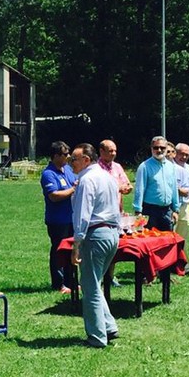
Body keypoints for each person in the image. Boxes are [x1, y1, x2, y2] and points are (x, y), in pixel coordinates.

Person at [69, 143, 121, 348]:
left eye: (74, 159)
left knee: (89, 288)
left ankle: (97, 337)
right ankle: (109, 326)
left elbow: (82, 213)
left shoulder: (87, 180)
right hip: (111, 234)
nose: (71, 163)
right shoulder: (107, 177)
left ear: (86, 160)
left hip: (95, 234)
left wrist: (76, 243)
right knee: (96, 283)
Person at [40, 141, 77, 293]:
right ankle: (59, 283)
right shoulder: (48, 174)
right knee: (58, 251)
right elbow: (54, 196)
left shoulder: (67, 169)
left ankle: (72, 282)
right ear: (56, 156)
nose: (68, 157)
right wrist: (74, 189)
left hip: (71, 219)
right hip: (57, 221)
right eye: (65, 154)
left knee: (72, 251)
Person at [98, 139, 133, 287]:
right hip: (102, 213)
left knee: (114, 246)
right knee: (102, 247)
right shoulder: (97, 169)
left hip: (117, 212)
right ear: (101, 151)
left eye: (115, 151)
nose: (113, 154)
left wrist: (128, 188)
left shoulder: (117, 167)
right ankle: (99, 277)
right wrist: (118, 188)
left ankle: (110, 277)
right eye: (110, 151)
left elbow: (127, 183)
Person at [133, 136, 179, 231]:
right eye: (156, 148)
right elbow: (139, 190)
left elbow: (174, 189)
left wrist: (176, 210)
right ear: (151, 149)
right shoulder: (144, 166)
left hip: (167, 211)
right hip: (150, 211)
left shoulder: (171, 167)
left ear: (166, 149)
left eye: (162, 148)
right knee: (150, 241)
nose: (159, 150)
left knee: (167, 241)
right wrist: (138, 211)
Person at [173, 142, 189, 274]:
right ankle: (168, 266)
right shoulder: (169, 167)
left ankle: (182, 264)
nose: (184, 157)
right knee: (170, 237)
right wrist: (179, 191)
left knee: (182, 237)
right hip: (172, 207)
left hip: (185, 206)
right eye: (181, 154)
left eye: (187, 155)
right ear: (175, 153)